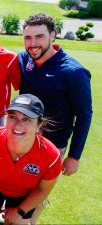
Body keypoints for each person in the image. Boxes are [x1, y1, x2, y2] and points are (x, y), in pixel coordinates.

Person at [18, 13, 92, 176]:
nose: (33, 43)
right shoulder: (24, 59)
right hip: (22, 140)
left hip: (52, 147)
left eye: (39, 37)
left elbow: (84, 116)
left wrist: (74, 156)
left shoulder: (74, 72)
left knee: (38, 197)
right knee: (14, 190)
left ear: (52, 35)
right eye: (27, 38)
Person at [0, 94, 62, 225]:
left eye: (27, 119)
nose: (18, 125)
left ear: (38, 125)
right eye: (13, 117)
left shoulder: (51, 155)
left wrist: (20, 211)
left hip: (25, 196)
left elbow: (42, 190)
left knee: (19, 222)